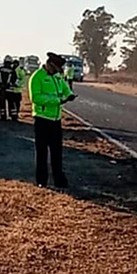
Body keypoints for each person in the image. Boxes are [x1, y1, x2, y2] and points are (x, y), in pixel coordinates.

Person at [28, 52, 77, 188]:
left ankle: (59, 181)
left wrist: (69, 95)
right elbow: (36, 98)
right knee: (42, 153)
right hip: (42, 119)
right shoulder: (37, 77)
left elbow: (65, 89)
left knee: (57, 152)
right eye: (55, 68)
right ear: (49, 64)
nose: (57, 71)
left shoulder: (57, 76)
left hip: (56, 120)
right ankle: (41, 181)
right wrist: (58, 101)